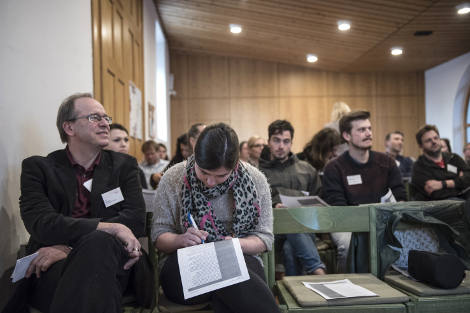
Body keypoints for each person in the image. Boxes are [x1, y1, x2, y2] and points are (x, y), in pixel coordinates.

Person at [3, 93, 153, 313]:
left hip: (118, 260)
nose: (105, 124)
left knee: (99, 245)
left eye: (105, 118)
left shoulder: (124, 166)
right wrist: (112, 226)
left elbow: (136, 219)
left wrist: (72, 248)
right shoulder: (38, 169)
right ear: (69, 128)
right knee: (98, 284)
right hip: (54, 263)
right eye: (94, 117)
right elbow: (42, 223)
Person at [151, 123, 279, 313]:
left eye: (221, 176)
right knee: (235, 279)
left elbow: (264, 238)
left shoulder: (256, 180)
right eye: (203, 172)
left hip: (241, 258)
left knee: (230, 278)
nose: (210, 182)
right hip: (184, 264)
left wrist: (235, 244)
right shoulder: (173, 178)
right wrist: (180, 239)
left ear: (236, 163)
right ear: (195, 152)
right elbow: (159, 236)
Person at [322, 110, 407, 273]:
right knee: (348, 245)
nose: (368, 133)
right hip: (347, 223)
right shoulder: (334, 167)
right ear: (346, 136)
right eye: (361, 130)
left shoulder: (387, 162)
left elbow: (401, 198)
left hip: (385, 222)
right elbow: (338, 208)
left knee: (406, 239)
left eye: (369, 128)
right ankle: (346, 288)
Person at [259, 120, 326, 276]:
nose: (281, 146)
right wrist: (274, 205)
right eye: (276, 140)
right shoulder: (258, 173)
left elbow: (318, 200)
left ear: (291, 143)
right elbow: (254, 205)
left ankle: (295, 294)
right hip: (273, 230)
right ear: (268, 142)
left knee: (291, 246)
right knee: (291, 225)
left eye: (286, 141)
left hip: (305, 227)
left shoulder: (307, 169)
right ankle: (317, 270)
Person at [412, 125, 470, 218]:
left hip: (461, 200)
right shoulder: (419, 167)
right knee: (462, 204)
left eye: (435, 138)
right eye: (428, 140)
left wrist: (443, 184)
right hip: (437, 207)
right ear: (421, 146)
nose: (434, 141)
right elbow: (437, 194)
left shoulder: (453, 158)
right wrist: (460, 185)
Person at [104, 123, 148, 189]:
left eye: (126, 140)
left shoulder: (136, 170)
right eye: (117, 140)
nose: (124, 144)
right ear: (104, 144)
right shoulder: (96, 169)